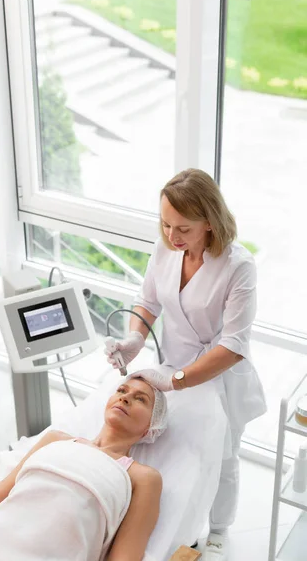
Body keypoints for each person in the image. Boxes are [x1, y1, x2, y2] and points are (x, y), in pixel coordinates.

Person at [105, 168, 267, 560]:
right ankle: (181, 524)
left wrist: (177, 379)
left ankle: (218, 530)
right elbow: (148, 302)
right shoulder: (166, 249)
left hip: (218, 377)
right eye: (165, 224)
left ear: (209, 223)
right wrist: (134, 339)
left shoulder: (238, 267)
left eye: (183, 228)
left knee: (222, 457)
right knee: (174, 449)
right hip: (169, 369)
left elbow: (232, 345)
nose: (172, 236)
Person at [0, 377, 168, 561]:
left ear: (150, 428)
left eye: (140, 399)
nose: (125, 397)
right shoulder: (55, 439)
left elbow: (124, 557)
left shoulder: (142, 477)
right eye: (122, 390)